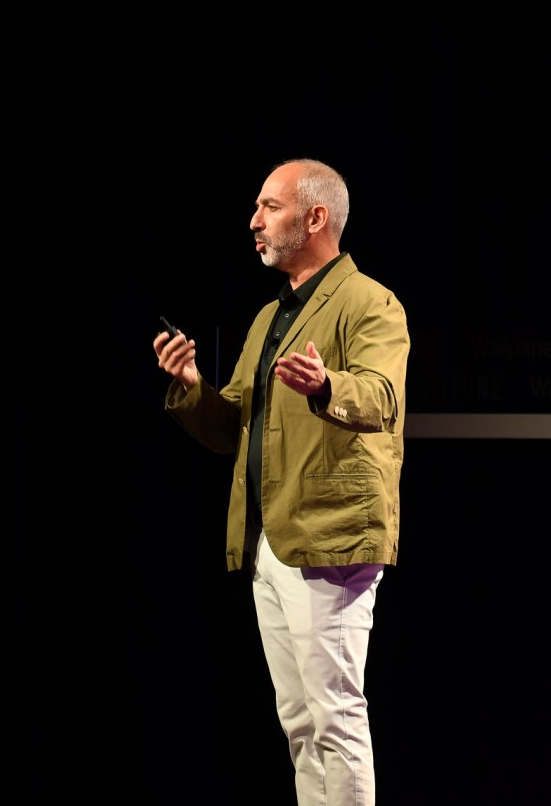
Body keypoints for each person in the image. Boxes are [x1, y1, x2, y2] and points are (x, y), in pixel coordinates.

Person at [152, 158, 409, 806]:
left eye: (269, 206)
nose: (254, 221)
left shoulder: (369, 303)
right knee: (299, 724)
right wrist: (192, 390)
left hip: (330, 537)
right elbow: (234, 426)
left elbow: (382, 398)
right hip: (273, 538)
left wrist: (327, 385)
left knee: (334, 715)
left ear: (315, 217)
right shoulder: (271, 318)